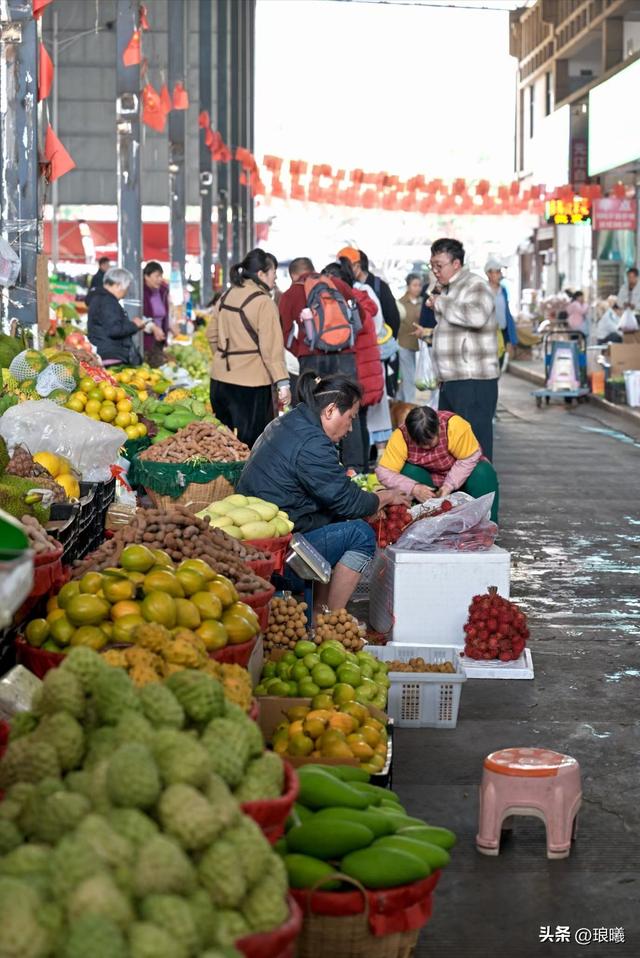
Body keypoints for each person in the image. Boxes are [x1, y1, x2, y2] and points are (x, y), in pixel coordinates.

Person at [237, 371, 409, 613]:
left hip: (266, 540)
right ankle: (333, 618)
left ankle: (318, 610)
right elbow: (350, 503)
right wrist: (387, 496)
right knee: (360, 534)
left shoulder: (292, 421)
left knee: (339, 518)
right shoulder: (312, 443)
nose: (350, 428)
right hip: (277, 555)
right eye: (350, 418)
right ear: (329, 411)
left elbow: (336, 494)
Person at [278, 256, 380, 472]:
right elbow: (360, 316)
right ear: (313, 269)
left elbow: (285, 333)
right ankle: (356, 469)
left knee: (314, 411)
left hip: (312, 360)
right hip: (345, 358)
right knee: (350, 408)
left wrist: (302, 351)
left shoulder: (291, 294)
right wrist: (344, 341)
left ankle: (319, 466)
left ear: (293, 275)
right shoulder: (336, 284)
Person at [414, 238, 499, 461]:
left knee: (476, 445)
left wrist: (440, 303)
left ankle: (483, 494)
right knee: (453, 445)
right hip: (451, 379)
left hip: (474, 380)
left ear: (456, 264)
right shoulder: (447, 289)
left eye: (439, 265)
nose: (435, 271)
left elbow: (477, 316)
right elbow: (454, 332)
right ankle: (462, 495)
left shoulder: (475, 285)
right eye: (432, 265)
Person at [206, 248, 290, 448]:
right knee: (252, 445)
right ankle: (248, 480)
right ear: (261, 274)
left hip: (219, 381)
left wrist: (225, 358)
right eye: (273, 275)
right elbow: (271, 350)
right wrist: (283, 383)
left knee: (222, 444)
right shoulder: (264, 303)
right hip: (251, 385)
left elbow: (211, 335)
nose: (274, 280)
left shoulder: (225, 297)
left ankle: (224, 480)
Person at [376, 405, 499, 524]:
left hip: (462, 476)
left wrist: (449, 485)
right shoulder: (401, 436)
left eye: (429, 442)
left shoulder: (454, 425)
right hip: (428, 482)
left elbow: (469, 457)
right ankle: (422, 525)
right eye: (420, 443)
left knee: (483, 472)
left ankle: (485, 527)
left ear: (438, 428)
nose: (425, 447)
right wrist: (414, 488)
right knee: (409, 471)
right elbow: (384, 471)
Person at [323, 258, 388, 464]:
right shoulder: (361, 300)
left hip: (358, 372)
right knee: (359, 422)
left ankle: (356, 469)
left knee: (352, 424)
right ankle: (360, 468)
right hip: (367, 373)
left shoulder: (348, 305)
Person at [337, 247, 401, 395]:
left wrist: (383, 346)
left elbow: (393, 318)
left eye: (345, 267)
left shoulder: (376, 287)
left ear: (357, 267)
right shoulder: (350, 288)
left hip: (381, 353)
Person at [87, 267, 145, 366]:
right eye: (126, 288)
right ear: (118, 285)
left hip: (103, 351)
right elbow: (114, 330)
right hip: (111, 355)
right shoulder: (108, 301)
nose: (126, 292)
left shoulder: (98, 298)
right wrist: (134, 325)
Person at [485, 257, 517, 369]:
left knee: (500, 363)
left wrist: (511, 338)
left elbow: (506, 313)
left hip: (502, 332)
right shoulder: (482, 290)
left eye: (500, 272)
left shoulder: (503, 290)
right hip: (488, 333)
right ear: (488, 273)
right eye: (497, 272)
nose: (500, 275)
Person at [396, 273, 422, 402]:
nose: (417, 288)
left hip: (420, 345)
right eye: (414, 285)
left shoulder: (424, 302)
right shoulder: (400, 303)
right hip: (404, 344)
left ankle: (398, 402)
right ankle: (409, 405)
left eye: (419, 285)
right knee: (409, 377)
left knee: (410, 378)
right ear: (408, 286)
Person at [142, 261, 171, 367]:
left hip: (159, 339)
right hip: (145, 340)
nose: (160, 279)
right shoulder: (141, 293)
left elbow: (165, 314)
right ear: (146, 276)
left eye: (161, 276)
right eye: (157, 276)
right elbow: (138, 317)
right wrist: (153, 327)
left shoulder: (162, 292)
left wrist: (170, 326)